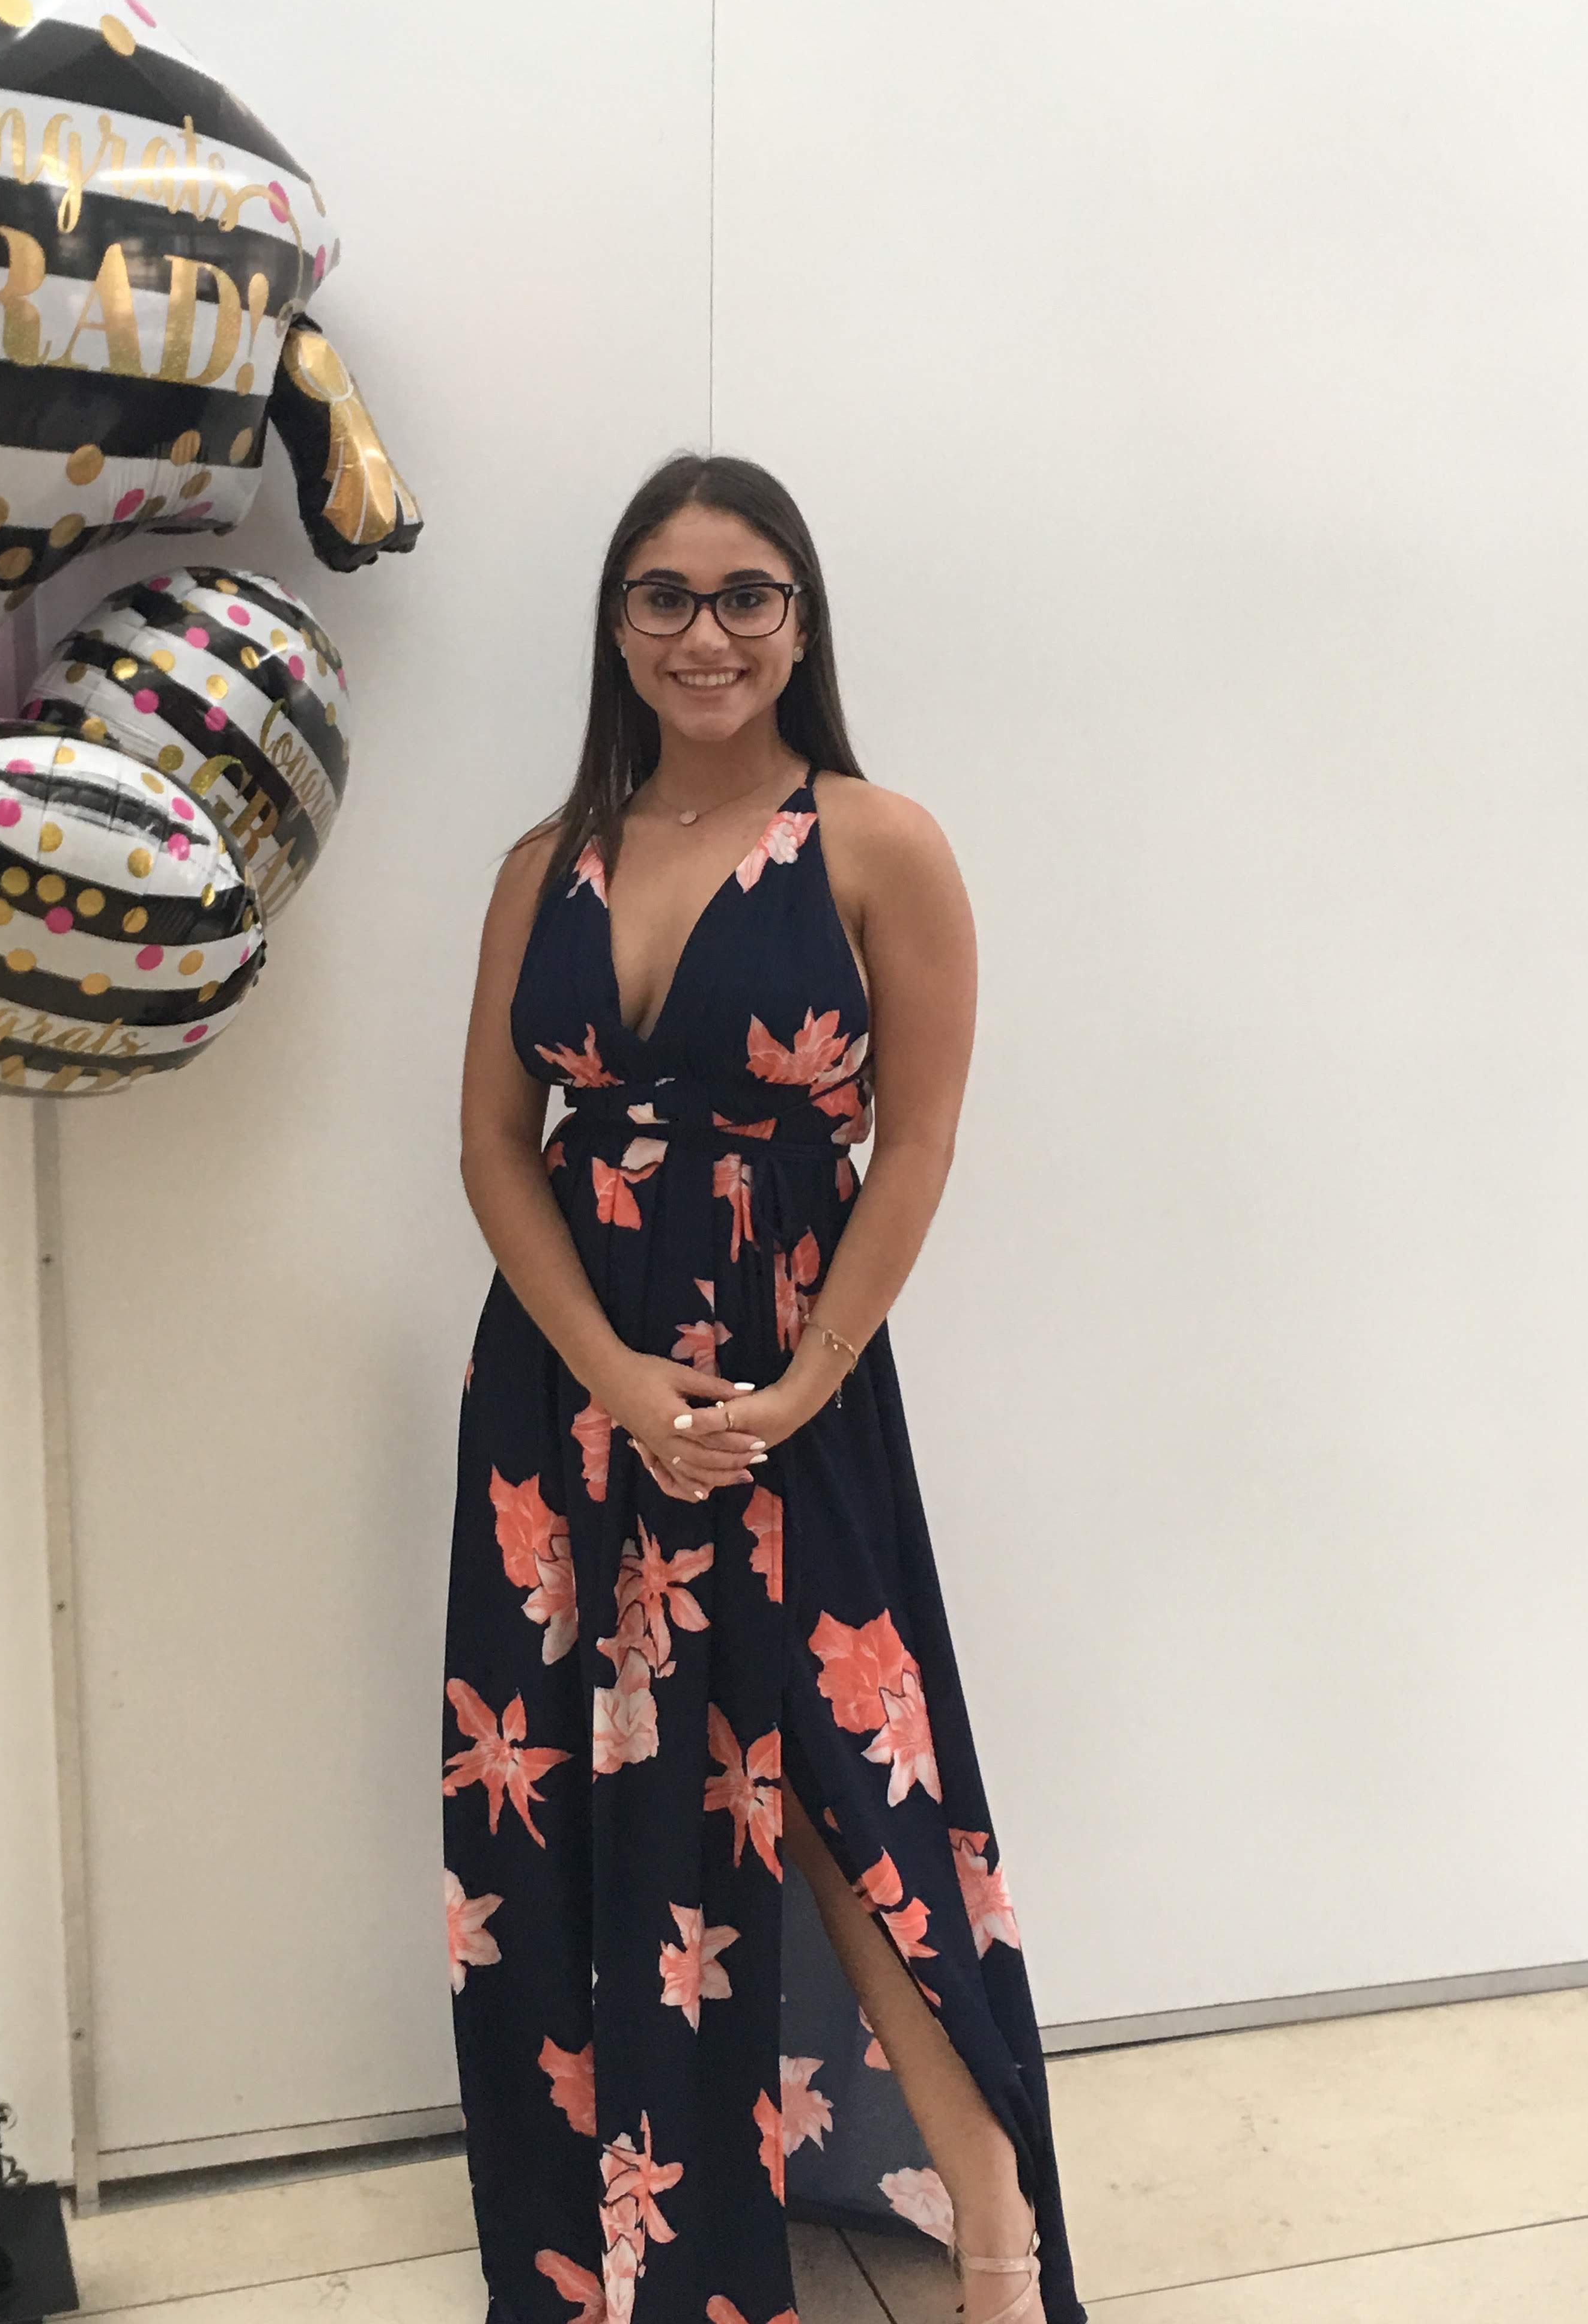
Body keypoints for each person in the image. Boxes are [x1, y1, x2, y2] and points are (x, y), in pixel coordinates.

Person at [443, 451, 1088, 2324]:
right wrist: (616, 1377)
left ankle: (991, 2217)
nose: (706, 632)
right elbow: (497, 1144)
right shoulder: (541, 864)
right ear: (616, 626)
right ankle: (636, 2238)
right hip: (569, 1405)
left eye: (748, 594)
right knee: (567, 1800)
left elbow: (919, 1144)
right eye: (664, 594)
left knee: (829, 1789)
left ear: (800, 621)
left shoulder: (878, 841)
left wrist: (797, 1384)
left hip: (794, 1392)